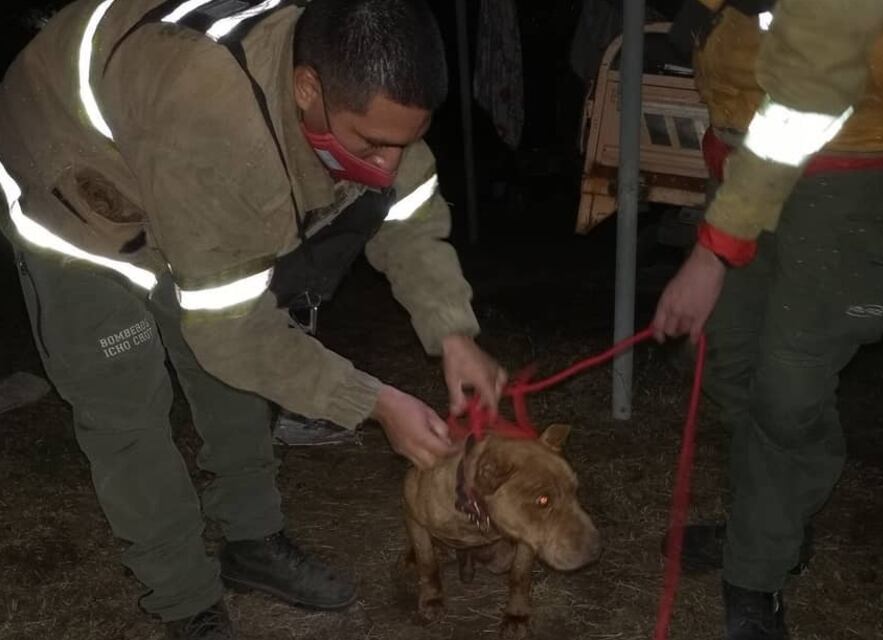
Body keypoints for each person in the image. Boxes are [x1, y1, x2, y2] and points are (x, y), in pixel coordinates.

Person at [0, 0, 508, 638]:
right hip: (71, 177)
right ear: (307, 89)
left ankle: (252, 542)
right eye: (373, 145)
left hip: (171, 148)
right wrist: (374, 402)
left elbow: (404, 211)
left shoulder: (369, 90)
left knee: (230, 376)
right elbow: (233, 334)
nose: (386, 166)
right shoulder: (216, 124)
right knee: (126, 406)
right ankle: (183, 598)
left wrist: (452, 331)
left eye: (401, 142)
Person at [653, 1, 883, 638]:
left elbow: (814, 88)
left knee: (789, 391)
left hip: (852, 167)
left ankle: (757, 572)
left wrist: (715, 248)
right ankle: (769, 522)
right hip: (749, 157)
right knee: (724, 360)